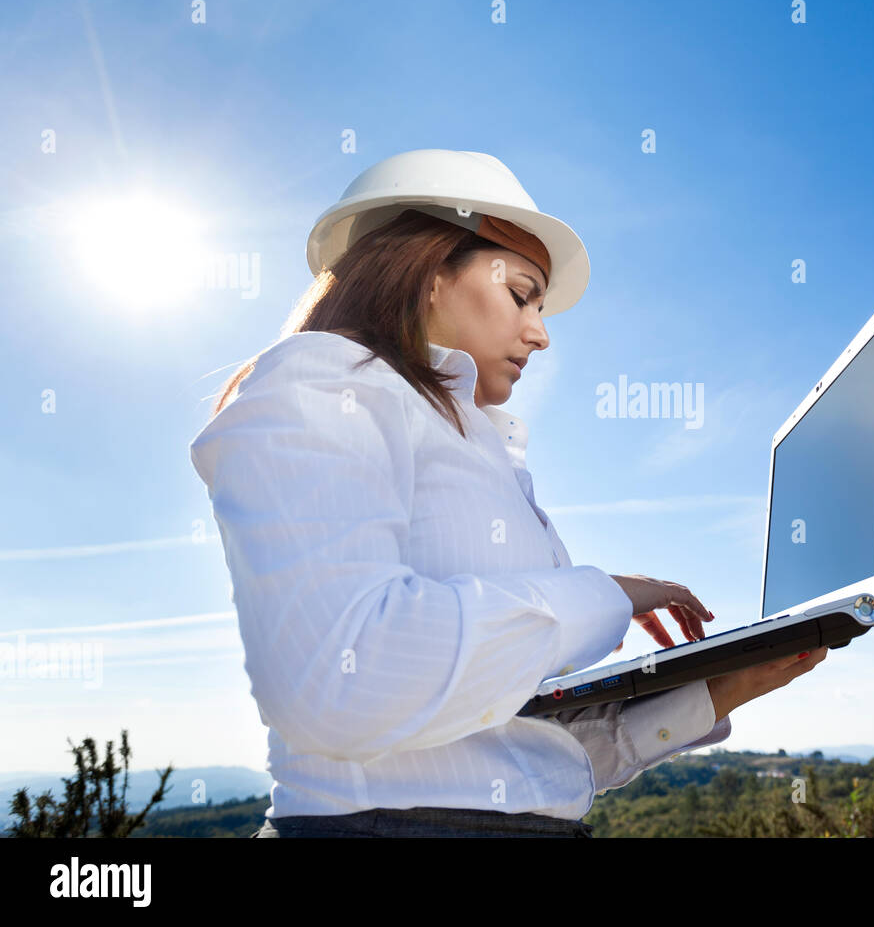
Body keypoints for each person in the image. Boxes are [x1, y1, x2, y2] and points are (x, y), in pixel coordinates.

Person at [189, 149, 829, 838]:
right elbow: (341, 682)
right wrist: (601, 593)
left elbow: (516, 760)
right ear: (428, 274)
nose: (541, 333)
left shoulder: (482, 450)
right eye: (522, 294)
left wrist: (721, 688)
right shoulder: (325, 383)